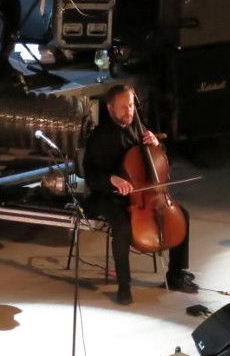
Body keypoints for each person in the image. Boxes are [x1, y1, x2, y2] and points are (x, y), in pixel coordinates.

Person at [83, 84, 198, 305]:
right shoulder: (100, 137)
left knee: (182, 215)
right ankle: (124, 286)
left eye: (131, 105)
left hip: (143, 194)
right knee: (123, 227)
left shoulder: (138, 125)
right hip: (108, 195)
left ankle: (175, 274)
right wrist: (112, 179)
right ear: (110, 109)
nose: (129, 112)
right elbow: (90, 175)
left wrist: (157, 144)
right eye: (123, 108)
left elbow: (160, 163)